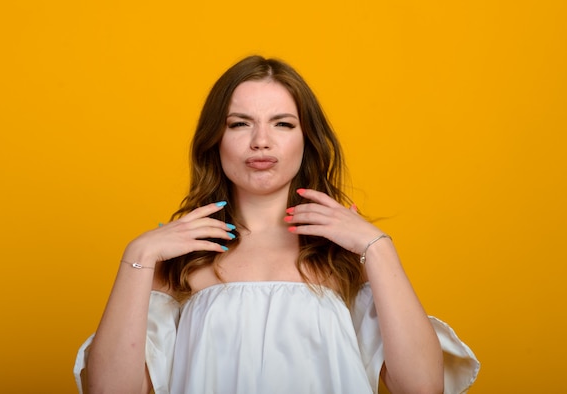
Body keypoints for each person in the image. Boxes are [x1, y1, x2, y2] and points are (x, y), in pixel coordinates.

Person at [74, 55, 479, 394]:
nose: (261, 141)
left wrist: (378, 247)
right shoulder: (181, 261)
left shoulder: (345, 257)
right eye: (239, 123)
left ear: (307, 140)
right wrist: (138, 255)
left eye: (282, 123)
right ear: (215, 139)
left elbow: (422, 387)